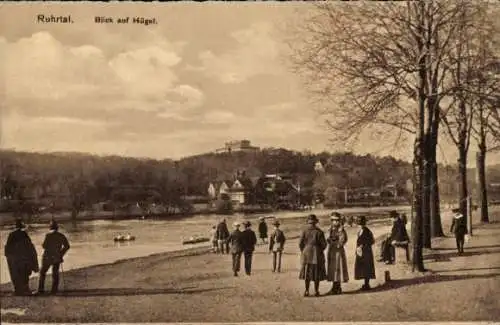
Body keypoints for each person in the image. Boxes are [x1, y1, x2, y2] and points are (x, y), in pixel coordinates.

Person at [4, 219, 39, 296]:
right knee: (25, 274)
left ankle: (18, 291)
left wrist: (9, 257)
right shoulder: (24, 234)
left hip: (15, 259)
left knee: (16, 275)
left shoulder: (11, 234)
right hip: (24, 258)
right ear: (22, 226)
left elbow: (7, 248)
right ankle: (26, 289)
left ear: (15, 226)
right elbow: (29, 246)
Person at [37, 219, 70, 295]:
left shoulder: (48, 235)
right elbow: (67, 246)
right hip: (57, 257)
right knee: (55, 273)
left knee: (42, 272)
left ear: (50, 227)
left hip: (48, 256)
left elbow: (44, 246)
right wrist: (61, 254)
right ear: (57, 228)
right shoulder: (61, 235)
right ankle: (54, 290)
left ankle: (41, 290)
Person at [299, 214, 327, 297]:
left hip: (306, 253)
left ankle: (306, 291)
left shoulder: (304, 231)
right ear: (315, 222)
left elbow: (300, 243)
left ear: (308, 222)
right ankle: (316, 291)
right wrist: (319, 250)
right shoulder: (319, 232)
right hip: (316, 254)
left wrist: (304, 251)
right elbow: (324, 245)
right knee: (316, 274)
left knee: (307, 273)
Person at [326, 212, 349, 295]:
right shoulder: (330, 229)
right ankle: (334, 287)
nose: (335, 222)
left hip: (338, 251)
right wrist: (329, 240)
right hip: (332, 251)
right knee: (333, 269)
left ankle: (337, 287)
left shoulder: (341, 229)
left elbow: (343, 239)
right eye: (333, 220)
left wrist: (337, 243)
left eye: (337, 220)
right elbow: (327, 238)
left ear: (339, 221)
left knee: (338, 268)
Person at [354, 215, 376, 291]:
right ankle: (366, 284)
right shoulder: (360, 231)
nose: (360, 225)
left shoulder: (366, 231)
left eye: (361, 224)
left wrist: (363, 245)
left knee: (367, 268)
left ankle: (367, 284)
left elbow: (372, 241)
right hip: (361, 252)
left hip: (366, 252)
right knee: (363, 268)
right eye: (359, 224)